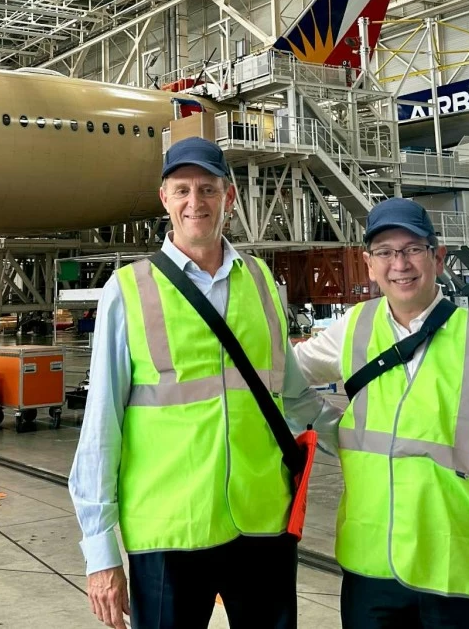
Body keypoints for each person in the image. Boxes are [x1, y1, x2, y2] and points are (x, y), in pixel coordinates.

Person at [68, 136, 341, 629]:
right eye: (183, 190)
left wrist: (366, 443)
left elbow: (295, 397)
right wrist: (100, 553)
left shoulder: (263, 283)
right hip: (170, 529)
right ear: (165, 199)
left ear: (229, 198)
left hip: (263, 523)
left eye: (209, 190)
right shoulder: (128, 290)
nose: (197, 202)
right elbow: (100, 426)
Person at [293, 197, 469, 629]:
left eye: (412, 249)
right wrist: (332, 427)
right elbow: (280, 376)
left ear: (437, 257)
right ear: (369, 263)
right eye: (385, 252)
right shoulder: (353, 328)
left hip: (463, 569)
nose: (399, 263)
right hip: (372, 569)